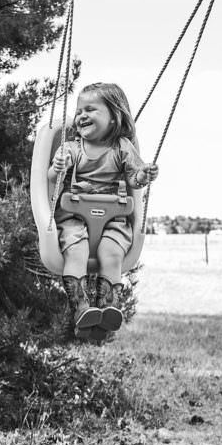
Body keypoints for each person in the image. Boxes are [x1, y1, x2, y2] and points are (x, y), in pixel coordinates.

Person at [47, 82, 158, 339]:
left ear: (113, 118)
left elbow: (134, 179)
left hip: (114, 218)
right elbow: (52, 175)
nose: (82, 115)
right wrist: (59, 166)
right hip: (74, 216)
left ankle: (109, 306)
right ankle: (81, 308)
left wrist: (145, 174)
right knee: (76, 252)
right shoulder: (72, 147)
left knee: (112, 255)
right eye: (79, 111)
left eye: (91, 109)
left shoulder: (122, 147)